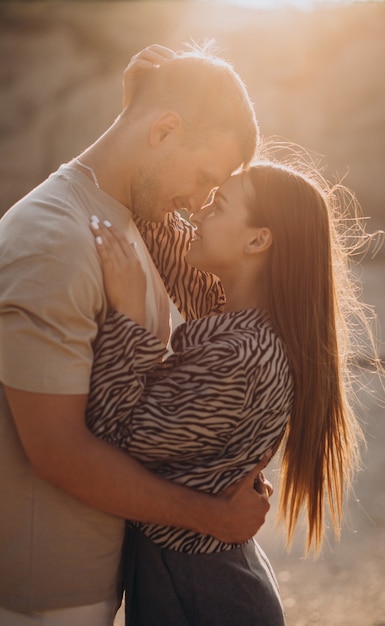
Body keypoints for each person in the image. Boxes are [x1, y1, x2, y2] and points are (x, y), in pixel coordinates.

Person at [0, 44, 269, 625]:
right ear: (165, 130)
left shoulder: (124, 215)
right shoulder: (55, 237)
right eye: (203, 179)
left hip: (89, 580)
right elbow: (58, 452)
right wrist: (212, 519)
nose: (199, 204)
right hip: (41, 596)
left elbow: (220, 306)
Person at [86, 158, 367, 625]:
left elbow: (111, 435)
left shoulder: (244, 356)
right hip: (199, 582)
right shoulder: (238, 313)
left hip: (204, 597)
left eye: (217, 206)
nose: (197, 211)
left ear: (258, 240)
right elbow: (164, 230)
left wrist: (129, 317)